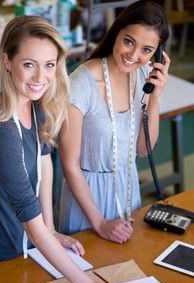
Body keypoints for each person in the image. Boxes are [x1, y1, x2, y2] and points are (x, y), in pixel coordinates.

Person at [0, 15, 128, 283]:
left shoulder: (32, 102)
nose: (41, 78)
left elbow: (44, 163)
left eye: (49, 65)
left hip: (32, 242)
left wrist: (50, 229)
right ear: (7, 61)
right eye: (29, 64)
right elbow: (30, 220)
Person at [58, 0, 170, 242]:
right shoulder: (80, 85)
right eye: (129, 41)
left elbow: (143, 149)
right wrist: (99, 223)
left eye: (147, 50)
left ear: (158, 54)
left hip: (128, 192)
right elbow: (69, 165)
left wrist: (156, 97)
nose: (133, 55)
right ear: (116, 33)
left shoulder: (141, 77)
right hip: (87, 202)